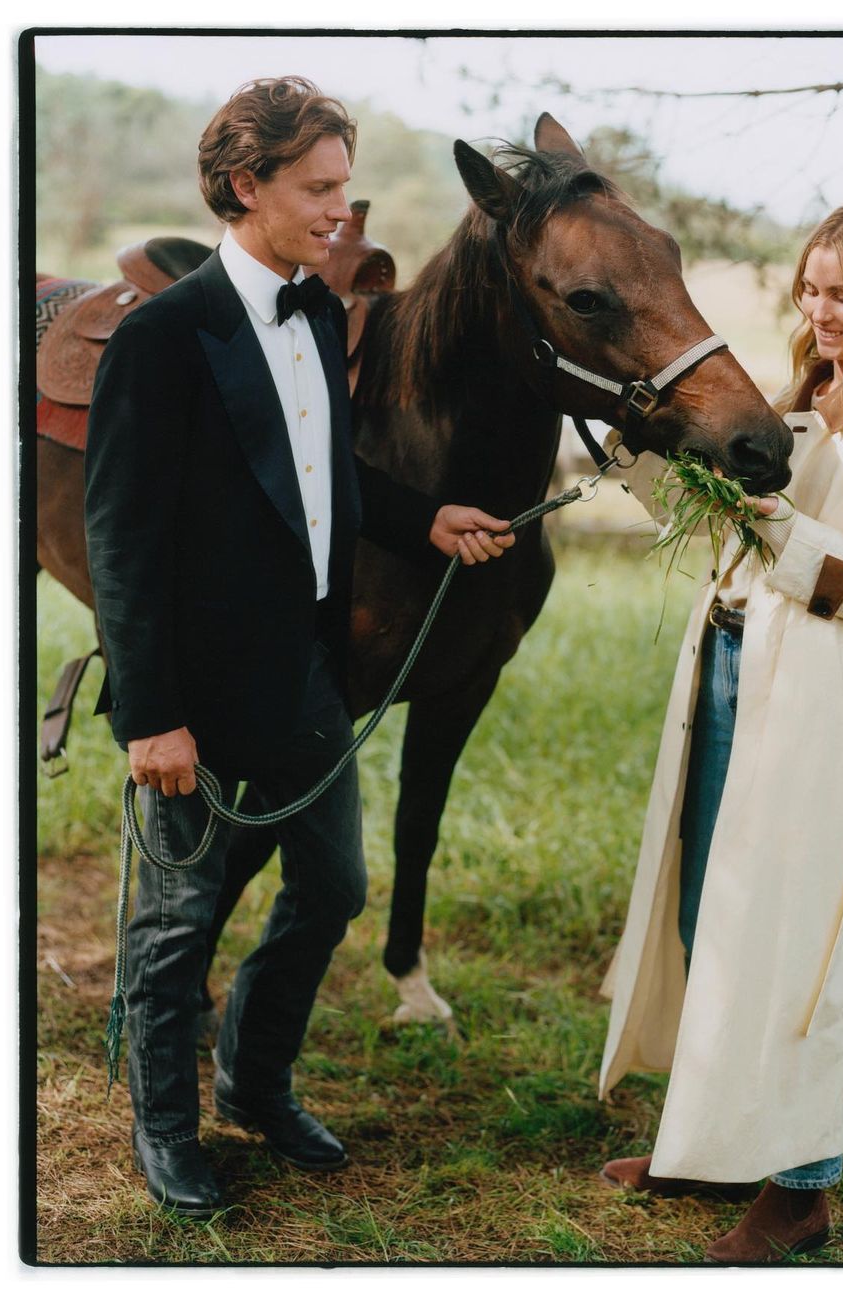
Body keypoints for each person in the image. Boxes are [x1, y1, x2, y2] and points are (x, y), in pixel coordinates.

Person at [84, 76, 514, 1219]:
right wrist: (151, 716)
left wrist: (424, 516)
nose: (341, 209)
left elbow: (321, 476)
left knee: (333, 887)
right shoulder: (162, 339)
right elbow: (121, 540)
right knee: (176, 922)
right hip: (193, 695)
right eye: (319, 188)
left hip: (309, 678)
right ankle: (166, 1128)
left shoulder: (318, 313)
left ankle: (254, 1080)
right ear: (246, 184)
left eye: (344, 184)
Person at [596, 201, 843, 1262]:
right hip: (728, 667)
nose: (820, 309)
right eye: (810, 288)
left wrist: (791, 534)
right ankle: (710, 1141)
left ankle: (802, 1189)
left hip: (816, 702)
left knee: (799, 938)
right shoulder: (800, 395)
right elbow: (721, 521)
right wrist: (639, 454)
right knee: (713, 910)